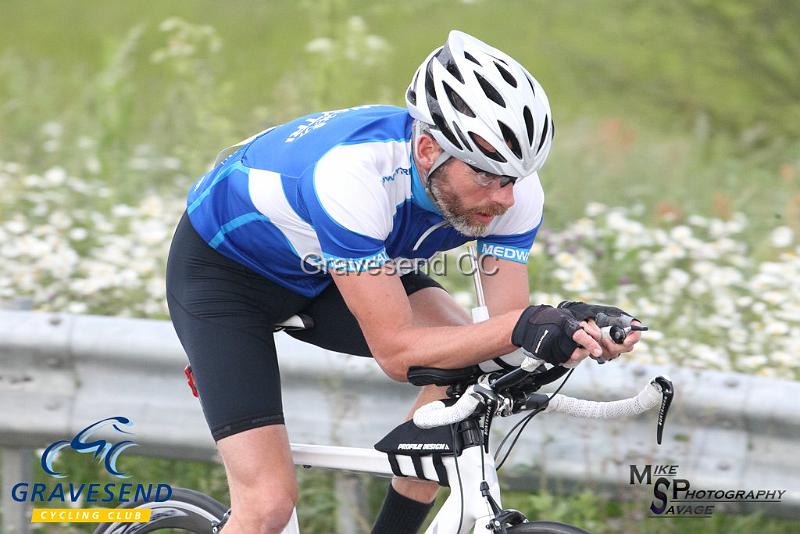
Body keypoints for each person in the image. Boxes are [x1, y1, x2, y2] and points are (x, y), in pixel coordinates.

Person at [165, 30, 641, 534]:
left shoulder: (511, 189)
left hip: (348, 262)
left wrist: (570, 327)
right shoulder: (351, 175)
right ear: (429, 149)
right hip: (226, 279)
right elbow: (397, 353)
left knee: (472, 362)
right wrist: (523, 327)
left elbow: (505, 334)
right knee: (266, 507)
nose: (504, 199)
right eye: (486, 176)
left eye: (514, 179)